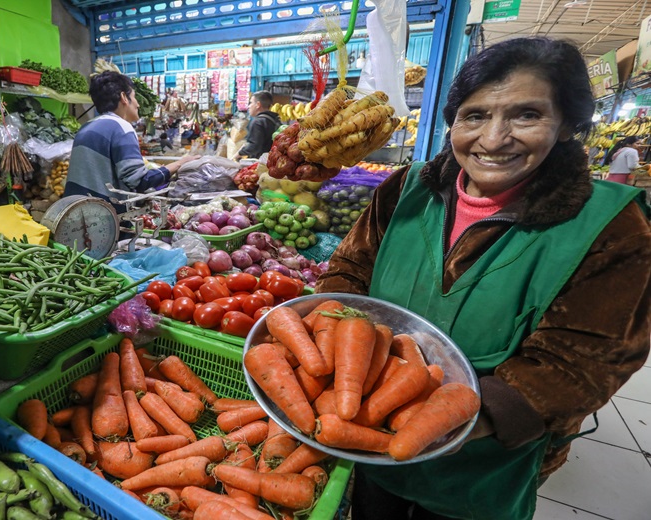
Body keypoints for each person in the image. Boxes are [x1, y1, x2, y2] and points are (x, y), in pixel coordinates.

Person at [316, 37, 650, 520]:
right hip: (370, 427)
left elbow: (585, 363)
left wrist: (455, 423)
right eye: (474, 116)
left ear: (566, 127)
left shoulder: (612, 226)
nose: (493, 140)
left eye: (526, 115)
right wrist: (331, 348)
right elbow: (349, 270)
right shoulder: (406, 191)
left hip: (488, 462)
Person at [64, 72, 197, 206]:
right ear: (124, 97)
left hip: (73, 210)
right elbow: (139, 182)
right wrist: (180, 163)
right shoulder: (120, 127)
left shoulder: (85, 127)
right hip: (101, 217)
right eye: (134, 97)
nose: (138, 104)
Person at [235, 91, 280, 160]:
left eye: (251, 103)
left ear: (258, 104)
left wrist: (240, 153)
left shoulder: (257, 122)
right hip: (273, 161)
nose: (249, 106)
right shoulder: (275, 119)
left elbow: (255, 146)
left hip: (261, 163)